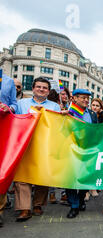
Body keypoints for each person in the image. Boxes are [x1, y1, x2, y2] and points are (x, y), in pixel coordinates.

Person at [12, 77, 61, 221]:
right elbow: (14, 118)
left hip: (45, 146)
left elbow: (57, 125)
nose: (41, 89)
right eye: (38, 87)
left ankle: (38, 204)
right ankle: (24, 208)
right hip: (23, 145)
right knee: (22, 178)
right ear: (33, 88)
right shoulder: (21, 103)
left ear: (48, 91)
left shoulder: (55, 106)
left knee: (42, 176)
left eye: (44, 88)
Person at [63, 89, 99, 219]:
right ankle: (74, 205)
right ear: (75, 99)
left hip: (87, 151)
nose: (86, 100)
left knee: (85, 178)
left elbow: (97, 130)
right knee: (70, 179)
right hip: (71, 150)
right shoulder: (68, 112)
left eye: (87, 98)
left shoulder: (92, 114)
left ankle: (81, 199)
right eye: (82, 98)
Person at [0, 73, 19, 227]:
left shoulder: (8, 81)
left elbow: (14, 103)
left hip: (3, 126)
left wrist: (9, 107)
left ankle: (0, 210)